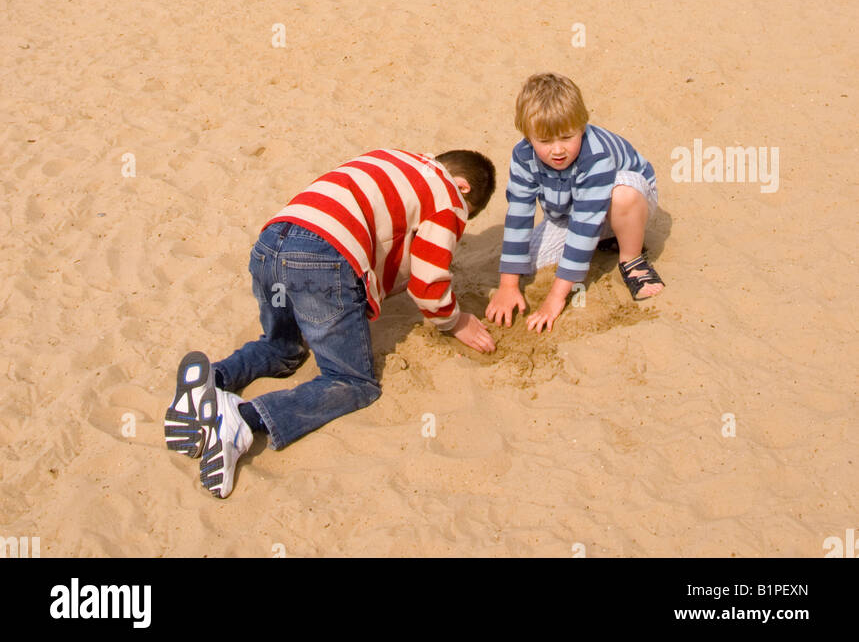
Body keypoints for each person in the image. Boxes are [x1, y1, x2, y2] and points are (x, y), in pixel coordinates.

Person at [165, 147, 496, 497]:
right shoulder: (448, 197)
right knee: (353, 382)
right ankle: (244, 421)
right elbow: (427, 283)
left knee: (282, 347)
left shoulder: (391, 159)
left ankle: (213, 380)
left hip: (271, 244)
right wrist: (455, 321)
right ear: (463, 188)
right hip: (321, 259)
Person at [486, 73, 664, 334]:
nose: (558, 150)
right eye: (545, 142)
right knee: (531, 263)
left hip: (625, 203)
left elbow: (585, 225)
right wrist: (508, 286)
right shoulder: (522, 156)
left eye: (567, 137)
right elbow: (518, 213)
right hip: (567, 213)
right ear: (527, 136)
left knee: (623, 192)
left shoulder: (596, 155)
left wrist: (555, 298)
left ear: (582, 127)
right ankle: (605, 241)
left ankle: (632, 259)